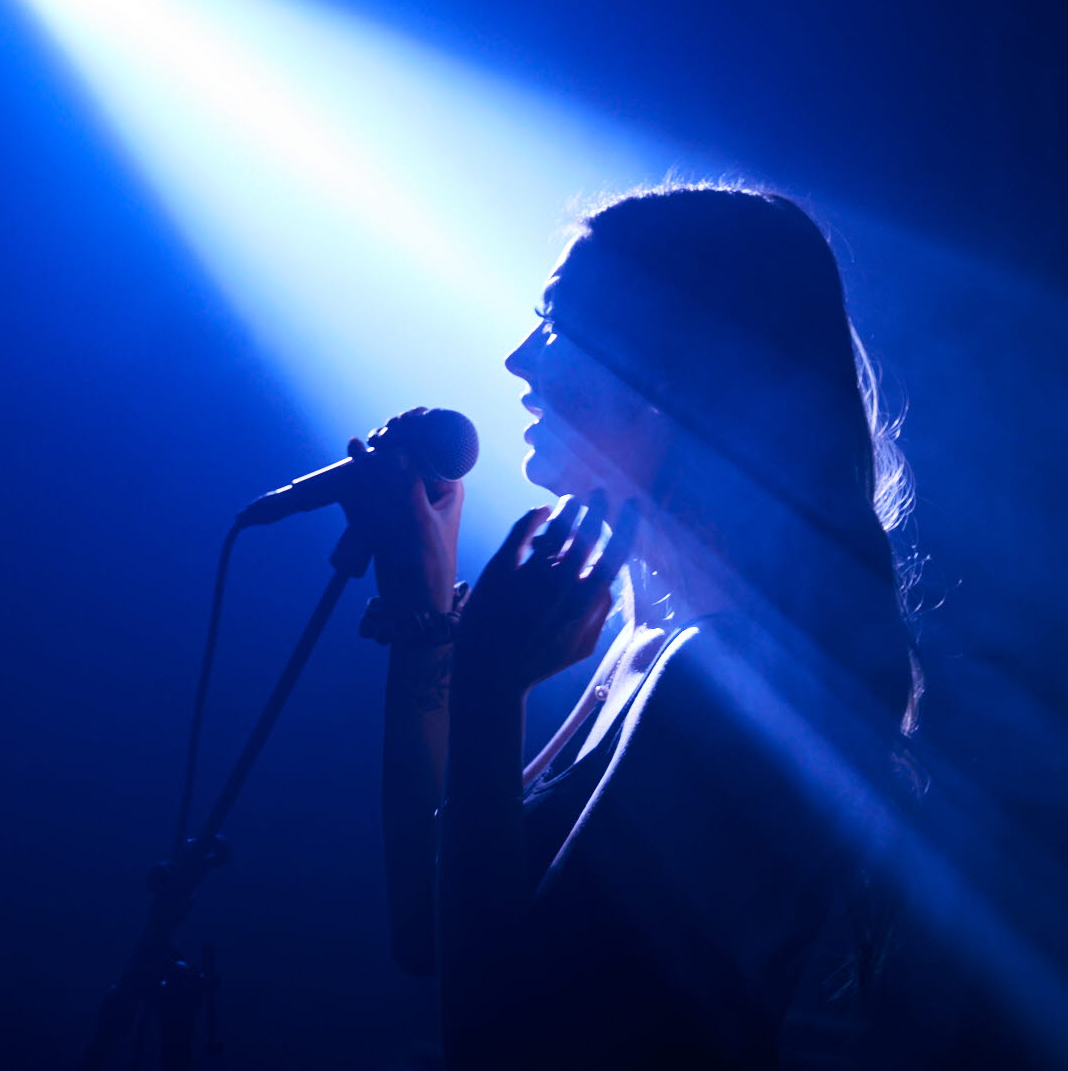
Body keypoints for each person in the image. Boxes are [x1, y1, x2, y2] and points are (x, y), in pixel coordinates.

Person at [344, 185, 925, 1068]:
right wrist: (427, 619)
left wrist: (490, 685)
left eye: (557, 326)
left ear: (671, 376)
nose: (516, 361)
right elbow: (426, 932)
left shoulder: (730, 675)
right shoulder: (650, 644)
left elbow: (497, 1044)